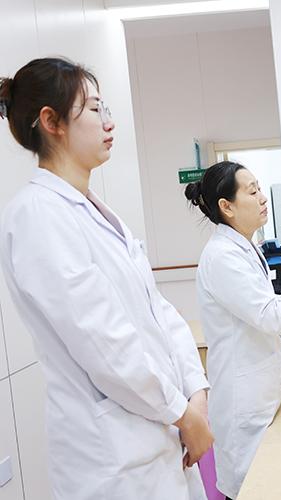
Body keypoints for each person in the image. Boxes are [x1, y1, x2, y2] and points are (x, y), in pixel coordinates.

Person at [0, 58, 211, 499]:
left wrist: (196, 393)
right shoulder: (38, 215)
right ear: (51, 122)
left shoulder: (95, 209)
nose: (109, 122)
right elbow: (104, 343)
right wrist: (182, 413)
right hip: (114, 463)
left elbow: (157, 312)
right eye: (95, 109)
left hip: (157, 439)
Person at [185, 161, 281, 500]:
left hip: (261, 399)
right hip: (245, 407)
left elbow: (260, 309)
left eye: (260, 188)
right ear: (227, 206)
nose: (262, 198)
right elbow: (270, 316)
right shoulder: (222, 257)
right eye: (252, 191)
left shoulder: (243, 247)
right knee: (252, 489)